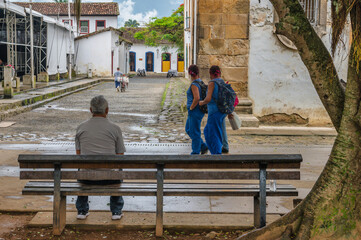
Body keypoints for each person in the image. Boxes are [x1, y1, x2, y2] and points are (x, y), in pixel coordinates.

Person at [75, 95, 126, 220]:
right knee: (118, 169)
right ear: (107, 110)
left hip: (86, 178)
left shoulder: (81, 128)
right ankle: (116, 211)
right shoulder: (115, 128)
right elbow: (120, 156)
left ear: (91, 110)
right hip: (110, 178)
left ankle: (82, 210)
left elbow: (78, 155)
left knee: (81, 168)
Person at [199, 66, 227, 155]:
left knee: (213, 133)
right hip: (221, 111)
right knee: (209, 131)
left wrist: (201, 102)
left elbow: (208, 98)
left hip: (214, 112)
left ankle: (217, 154)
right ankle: (214, 151)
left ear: (211, 73)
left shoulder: (212, 83)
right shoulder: (222, 82)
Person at [185, 65, 208, 155]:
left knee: (194, 131)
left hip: (195, 111)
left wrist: (191, 107)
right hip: (197, 111)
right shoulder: (200, 82)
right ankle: (203, 146)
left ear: (190, 73)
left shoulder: (194, 84)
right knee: (188, 129)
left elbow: (197, 97)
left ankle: (195, 152)